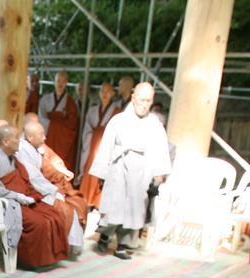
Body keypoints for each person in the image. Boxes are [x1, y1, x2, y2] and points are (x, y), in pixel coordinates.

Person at [89, 82, 170, 259]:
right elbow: (106, 146)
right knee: (115, 204)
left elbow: (160, 150)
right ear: (133, 98)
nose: (144, 104)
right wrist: (102, 172)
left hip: (142, 169)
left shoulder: (154, 124)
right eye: (141, 100)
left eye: (148, 101)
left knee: (134, 207)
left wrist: (159, 175)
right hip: (119, 166)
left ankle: (123, 244)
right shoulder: (118, 120)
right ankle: (104, 236)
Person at [0, 124, 69, 268]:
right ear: (5, 142)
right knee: (39, 222)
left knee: (53, 214)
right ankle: (30, 261)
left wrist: (26, 194)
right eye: (16, 138)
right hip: (5, 202)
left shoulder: (11, 156)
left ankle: (51, 257)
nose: (20, 141)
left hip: (21, 197)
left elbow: (23, 178)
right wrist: (16, 196)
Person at [18, 120, 84, 254]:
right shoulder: (23, 150)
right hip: (32, 191)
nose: (45, 138)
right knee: (65, 209)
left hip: (42, 187)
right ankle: (65, 247)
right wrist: (53, 190)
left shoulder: (34, 149)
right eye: (41, 134)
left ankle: (69, 245)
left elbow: (52, 164)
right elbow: (33, 177)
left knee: (72, 205)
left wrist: (59, 179)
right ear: (30, 137)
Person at [79, 81, 118, 210]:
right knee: (90, 168)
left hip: (107, 145)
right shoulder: (93, 110)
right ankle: (87, 198)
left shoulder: (117, 111)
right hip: (93, 143)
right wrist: (94, 135)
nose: (105, 94)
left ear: (113, 93)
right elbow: (87, 128)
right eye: (102, 91)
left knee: (103, 170)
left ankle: (98, 201)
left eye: (108, 91)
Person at [38, 70, 80, 174]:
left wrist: (55, 119)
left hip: (62, 139)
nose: (60, 84)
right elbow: (42, 117)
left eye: (63, 81)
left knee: (59, 162)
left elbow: (73, 123)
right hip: (48, 135)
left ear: (66, 83)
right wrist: (59, 118)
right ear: (54, 82)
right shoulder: (45, 99)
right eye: (58, 81)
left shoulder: (71, 103)